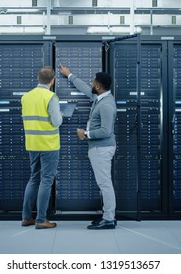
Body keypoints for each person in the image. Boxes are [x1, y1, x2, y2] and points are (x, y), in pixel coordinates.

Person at [59, 64, 117, 230]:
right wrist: (70, 75)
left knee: (105, 183)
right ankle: (108, 216)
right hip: (99, 148)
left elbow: (106, 131)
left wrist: (86, 134)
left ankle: (109, 218)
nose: (91, 83)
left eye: (93, 82)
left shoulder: (106, 105)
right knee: (104, 182)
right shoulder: (101, 98)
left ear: (98, 86)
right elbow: (86, 89)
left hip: (102, 148)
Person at [21, 66, 62, 229]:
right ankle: (41, 220)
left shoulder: (26, 96)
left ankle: (26, 217)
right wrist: (61, 114)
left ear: (38, 79)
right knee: (46, 180)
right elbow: (56, 122)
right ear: (53, 81)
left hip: (32, 143)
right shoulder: (50, 96)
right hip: (48, 144)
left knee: (34, 178)